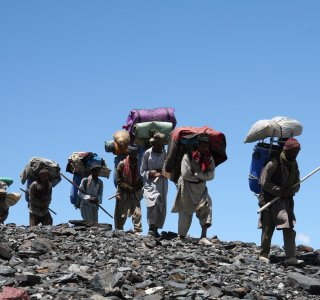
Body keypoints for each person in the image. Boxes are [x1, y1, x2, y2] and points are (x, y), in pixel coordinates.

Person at [258, 137, 302, 265]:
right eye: (293, 151)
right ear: (286, 150)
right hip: (270, 200)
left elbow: (297, 183)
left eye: (297, 152)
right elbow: (263, 181)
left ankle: (291, 257)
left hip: (285, 201)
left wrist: (291, 191)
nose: (295, 154)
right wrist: (279, 191)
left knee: (288, 227)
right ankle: (264, 254)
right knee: (268, 227)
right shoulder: (273, 162)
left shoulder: (294, 165)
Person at [172, 134, 215, 245]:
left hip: (201, 188)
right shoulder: (188, 156)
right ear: (198, 145)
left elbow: (211, 175)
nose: (204, 147)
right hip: (187, 187)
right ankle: (182, 236)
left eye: (206, 144)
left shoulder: (209, 158)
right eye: (202, 144)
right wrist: (200, 177)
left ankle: (203, 236)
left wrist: (197, 175)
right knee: (185, 211)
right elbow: (185, 174)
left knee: (206, 207)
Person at [140, 133, 168, 237]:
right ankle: (151, 227)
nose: (159, 147)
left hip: (162, 183)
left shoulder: (165, 153)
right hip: (149, 183)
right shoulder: (147, 153)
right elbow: (142, 170)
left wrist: (162, 172)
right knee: (152, 203)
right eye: (157, 145)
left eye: (161, 145)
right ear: (153, 144)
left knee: (161, 205)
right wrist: (150, 173)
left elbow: (168, 169)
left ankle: (156, 228)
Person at [115, 144, 143, 233]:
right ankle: (119, 231)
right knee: (122, 215)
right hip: (124, 192)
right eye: (132, 153)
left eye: (135, 153)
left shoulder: (140, 164)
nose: (133, 155)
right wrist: (129, 188)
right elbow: (119, 181)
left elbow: (142, 179)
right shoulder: (122, 164)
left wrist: (136, 187)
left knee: (137, 213)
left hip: (135, 192)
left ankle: (137, 232)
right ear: (129, 153)